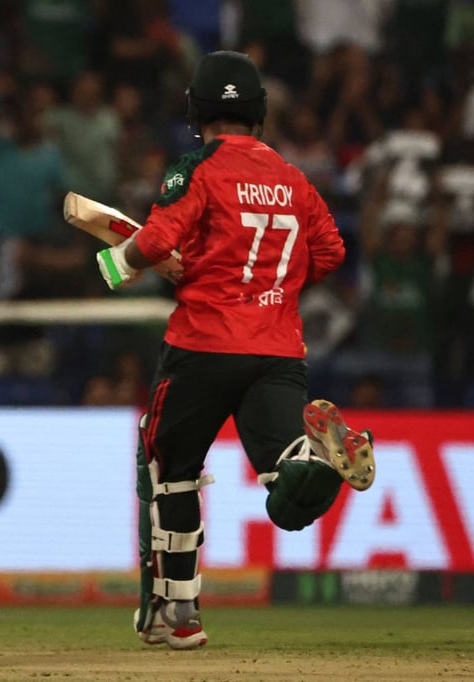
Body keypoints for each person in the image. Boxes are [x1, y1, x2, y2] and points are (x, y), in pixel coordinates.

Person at [94, 51, 376, 650]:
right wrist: (268, 286)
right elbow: (330, 254)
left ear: (197, 110)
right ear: (259, 114)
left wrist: (115, 264)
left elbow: (158, 242)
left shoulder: (196, 169)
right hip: (277, 349)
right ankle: (320, 458)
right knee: (286, 493)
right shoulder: (295, 178)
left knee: (170, 473)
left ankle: (183, 611)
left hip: (202, 345)